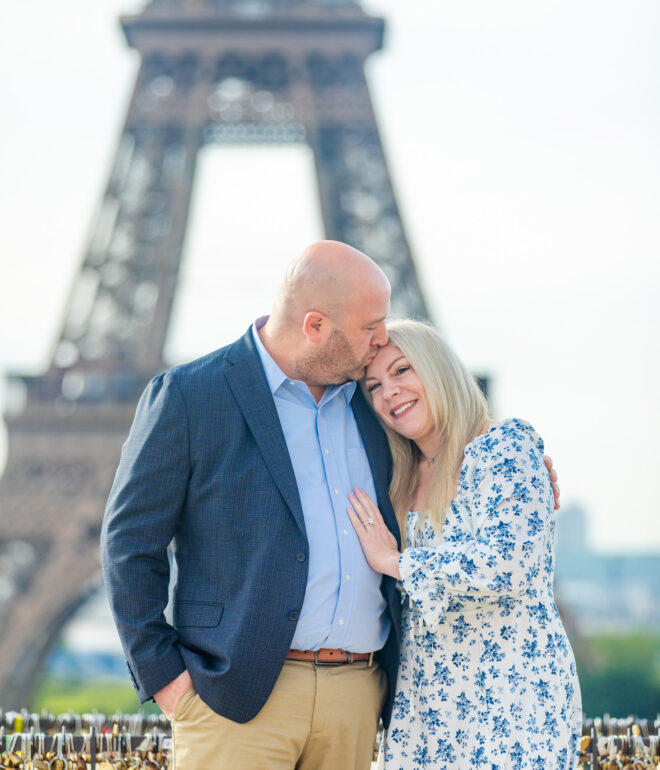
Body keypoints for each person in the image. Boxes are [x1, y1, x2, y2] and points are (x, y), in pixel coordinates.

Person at [101, 241, 560, 770]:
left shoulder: (373, 402)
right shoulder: (190, 396)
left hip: (361, 697)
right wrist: (164, 678)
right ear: (315, 326)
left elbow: (454, 460)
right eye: (371, 326)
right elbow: (129, 542)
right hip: (236, 698)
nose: (382, 340)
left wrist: (521, 467)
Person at [347, 319, 581, 770]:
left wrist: (396, 562)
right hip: (427, 705)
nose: (388, 393)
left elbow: (504, 565)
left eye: (402, 370)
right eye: (374, 386)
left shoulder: (502, 448)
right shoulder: (398, 473)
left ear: (438, 369)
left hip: (512, 702)